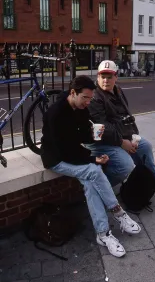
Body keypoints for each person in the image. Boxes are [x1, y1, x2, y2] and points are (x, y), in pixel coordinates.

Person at [40, 75, 141, 258]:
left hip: (73, 154)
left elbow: (83, 138)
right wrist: (93, 160)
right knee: (93, 171)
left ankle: (103, 234)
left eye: (90, 98)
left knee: (90, 184)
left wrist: (95, 135)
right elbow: (65, 151)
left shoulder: (80, 108)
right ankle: (118, 213)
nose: (88, 102)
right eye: (85, 97)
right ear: (73, 93)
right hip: (57, 159)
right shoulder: (56, 114)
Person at [87, 61, 155, 189]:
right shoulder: (95, 97)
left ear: (116, 77)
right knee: (125, 166)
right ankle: (99, 189)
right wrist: (122, 142)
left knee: (145, 146)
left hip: (123, 134)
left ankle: (152, 178)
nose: (105, 80)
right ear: (98, 77)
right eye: (102, 76)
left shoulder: (117, 90)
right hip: (105, 141)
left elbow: (126, 114)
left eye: (109, 77)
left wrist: (133, 135)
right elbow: (103, 126)